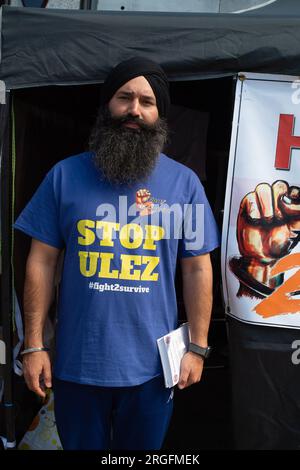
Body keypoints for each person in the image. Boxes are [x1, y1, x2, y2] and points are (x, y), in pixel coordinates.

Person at [14, 57, 219, 450]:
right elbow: (40, 261)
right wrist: (35, 345)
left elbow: (196, 269)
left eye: (146, 101)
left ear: (159, 113)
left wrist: (197, 347)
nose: (134, 110)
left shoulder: (184, 184)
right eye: (124, 97)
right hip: (76, 364)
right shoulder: (64, 176)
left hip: (153, 371)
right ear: (107, 104)